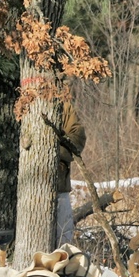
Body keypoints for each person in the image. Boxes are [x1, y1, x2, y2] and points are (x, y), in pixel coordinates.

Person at [56, 100, 86, 247]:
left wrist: (54, 148)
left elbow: (78, 138)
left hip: (60, 187)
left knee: (63, 244)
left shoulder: (62, 105)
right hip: (25, 191)